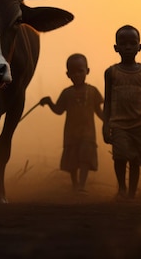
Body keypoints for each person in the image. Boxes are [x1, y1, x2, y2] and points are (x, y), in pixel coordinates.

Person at [103, 25, 141, 200]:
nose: (128, 47)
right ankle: (122, 188)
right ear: (116, 47)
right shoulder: (111, 72)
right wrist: (106, 125)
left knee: (136, 159)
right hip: (119, 123)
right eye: (123, 43)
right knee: (120, 156)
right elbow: (107, 100)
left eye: (132, 43)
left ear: (139, 46)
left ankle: (131, 193)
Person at [40, 53, 104, 193]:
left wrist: (111, 120)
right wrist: (49, 102)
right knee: (73, 160)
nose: (76, 75)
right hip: (71, 133)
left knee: (85, 158)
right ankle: (75, 184)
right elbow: (58, 110)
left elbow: (99, 112)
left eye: (80, 71)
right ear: (67, 74)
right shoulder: (66, 93)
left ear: (87, 71)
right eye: (73, 72)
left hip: (88, 133)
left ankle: (81, 185)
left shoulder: (93, 92)